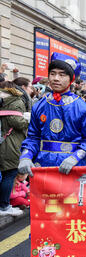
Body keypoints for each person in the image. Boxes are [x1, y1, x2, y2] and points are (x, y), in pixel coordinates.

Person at [18, 52, 86, 257]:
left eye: (62, 74)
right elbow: (32, 137)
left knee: (70, 222)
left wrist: (76, 157)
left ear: (71, 79)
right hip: (43, 175)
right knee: (42, 225)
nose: (55, 78)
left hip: (69, 174)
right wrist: (26, 156)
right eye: (52, 73)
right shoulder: (41, 104)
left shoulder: (81, 107)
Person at [0, 81, 29, 216]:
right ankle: (4, 206)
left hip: (3, 141)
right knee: (10, 173)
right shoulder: (15, 101)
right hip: (11, 142)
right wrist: (27, 119)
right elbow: (16, 122)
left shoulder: (2, 100)